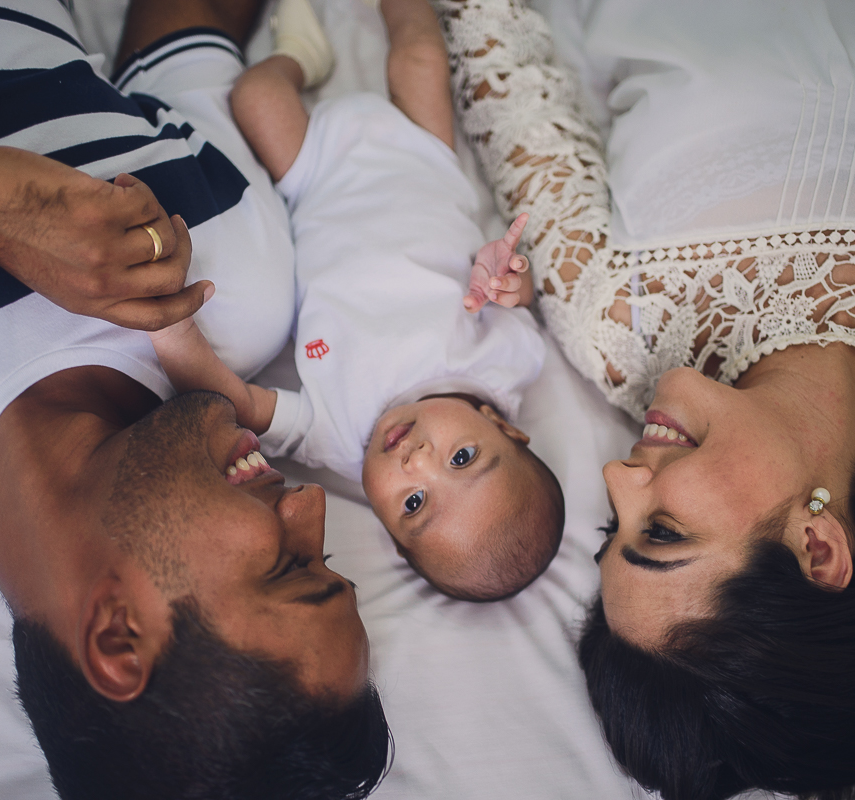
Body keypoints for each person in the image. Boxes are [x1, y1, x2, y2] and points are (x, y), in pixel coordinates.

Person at [0, 0, 390, 797]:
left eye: (291, 566)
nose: (312, 506)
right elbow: (183, 34)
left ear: (118, 634)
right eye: (326, 555)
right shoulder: (237, 287)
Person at [431, 0, 855, 797]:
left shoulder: (621, 326)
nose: (617, 477)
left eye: (613, 527)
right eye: (662, 531)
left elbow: (501, 52)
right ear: (817, 548)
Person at [147, 0, 564, 603]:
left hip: (316, 176)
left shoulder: (336, 434)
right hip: (424, 158)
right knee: (420, 54)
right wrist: (504, 278)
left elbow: (241, 403)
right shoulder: (502, 367)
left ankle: (301, 57)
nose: (419, 460)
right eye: (463, 457)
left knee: (257, 95)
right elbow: (517, 298)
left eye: (414, 503)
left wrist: (172, 329)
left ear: (388, 530)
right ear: (503, 426)